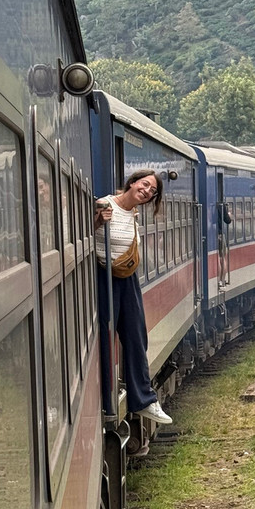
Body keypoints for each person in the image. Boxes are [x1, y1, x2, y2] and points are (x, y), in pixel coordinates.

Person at [95, 169, 172, 425]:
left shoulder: (132, 214)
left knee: (137, 335)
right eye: (145, 185)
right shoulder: (105, 204)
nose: (148, 191)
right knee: (104, 338)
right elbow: (81, 233)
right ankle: (105, 399)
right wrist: (97, 221)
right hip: (102, 276)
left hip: (126, 279)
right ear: (132, 182)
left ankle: (144, 401)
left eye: (153, 191)